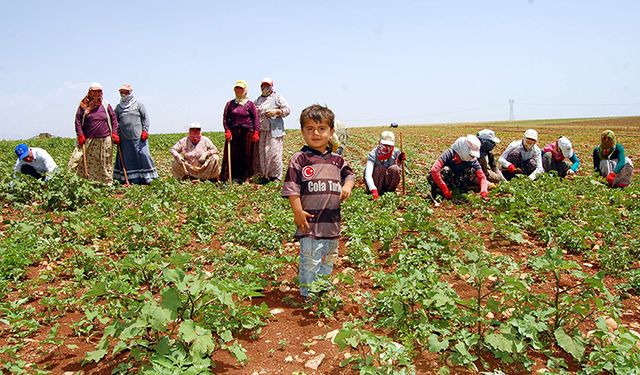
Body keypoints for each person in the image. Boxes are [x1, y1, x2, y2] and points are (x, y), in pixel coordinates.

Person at [282, 104, 355, 298]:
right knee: (310, 259)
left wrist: (347, 186)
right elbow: (292, 188)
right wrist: (297, 211)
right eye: (310, 129)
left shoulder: (337, 160)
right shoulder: (300, 158)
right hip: (310, 222)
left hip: (332, 223)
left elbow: (350, 175)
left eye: (321, 129)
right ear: (302, 131)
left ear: (331, 132)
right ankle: (308, 293)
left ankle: (322, 289)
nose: (316, 133)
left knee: (328, 258)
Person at [68, 82, 119, 184]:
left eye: (99, 91)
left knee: (104, 162)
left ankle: (105, 182)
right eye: (94, 91)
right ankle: (85, 181)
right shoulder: (83, 105)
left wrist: (114, 133)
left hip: (105, 139)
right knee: (79, 160)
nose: (97, 94)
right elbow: (78, 121)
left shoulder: (105, 104)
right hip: (89, 138)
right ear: (90, 92)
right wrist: (80, 134)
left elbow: (114, 119)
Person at [113, 83, 158, 184]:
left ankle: (148, 177)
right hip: (124, 138)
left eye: (125, 92)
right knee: (128, 159)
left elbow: (145, 118)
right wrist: (115, 134)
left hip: (138, 137)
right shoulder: (118, 107)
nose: (123, 94)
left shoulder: (138, 104)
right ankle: (131, 179)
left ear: (130, 92)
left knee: (143, 154)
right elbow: (114, 122)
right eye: (121, 92)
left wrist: (145, 130)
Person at [220, 80, 259, 183]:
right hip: (233, 132)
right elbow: (225, 119)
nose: (238, 90)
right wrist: (227, 130)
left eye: (240, 88)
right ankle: (230, 176)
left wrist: (256, 132)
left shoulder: (250, 104)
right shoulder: (230, 104)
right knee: (233, 155)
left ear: (245, 90)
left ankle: (246, 177)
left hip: (247, 132)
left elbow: (255, 118)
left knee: (246, 155)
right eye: (236, 88)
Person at [253, 77, 291, 183]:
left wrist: (276, 111)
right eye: (263, 85)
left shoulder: (278, 97)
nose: (265, 87)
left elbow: (287, 110)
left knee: (274, 153)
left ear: (271, 86)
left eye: (267, 85)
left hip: (274, 130)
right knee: (262, 154)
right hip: (261, 130)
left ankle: (276, 176)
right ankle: (264, 175)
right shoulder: (258, 100)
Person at [429, 135, 489, 200]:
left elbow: (482, 177)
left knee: (472, 170)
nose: (472, 157)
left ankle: (460, 190)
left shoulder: (472, 160)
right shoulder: (450, 153)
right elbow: (434, 170)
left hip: (460, 180)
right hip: (448, 179)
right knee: (437, 173)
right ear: (464, 149)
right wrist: (445, 190)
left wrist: (484, 191)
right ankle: (440, 192)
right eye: (471, 154)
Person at [363, 130, 406, 199]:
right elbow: (368, 174)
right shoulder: (373, 154)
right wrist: (373, 189)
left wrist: (400, 161)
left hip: (387, 181)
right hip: (375, 182)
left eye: (389, 145)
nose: (387, 147)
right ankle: (377, 191)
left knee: (395, 168)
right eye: (384, 144)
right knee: (380, 168)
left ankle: (389, 192)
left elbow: (398, 171)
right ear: (379, 142)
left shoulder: (396, 152)